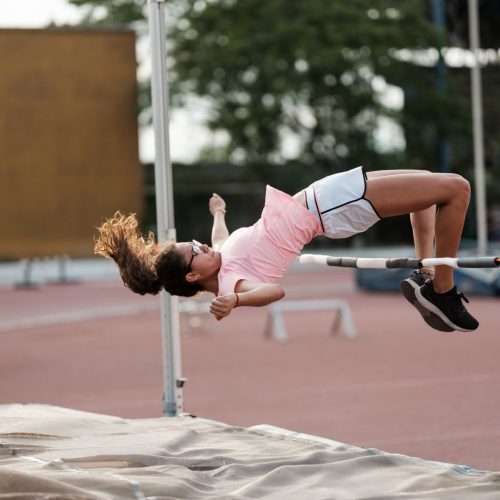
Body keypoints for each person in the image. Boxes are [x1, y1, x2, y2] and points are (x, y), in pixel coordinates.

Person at [94, 166, 478, 332]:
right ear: (195, 275)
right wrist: (236, 303)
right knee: (456, 188)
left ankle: (426, 277)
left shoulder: (224, 257)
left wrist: (219, 212)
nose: (201, 244)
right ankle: (441, 291)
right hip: (329, 207)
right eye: (195, 250)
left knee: (428, 187)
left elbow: (221, 236)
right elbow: (273, 292)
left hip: (322, 196)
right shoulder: (231, 283)